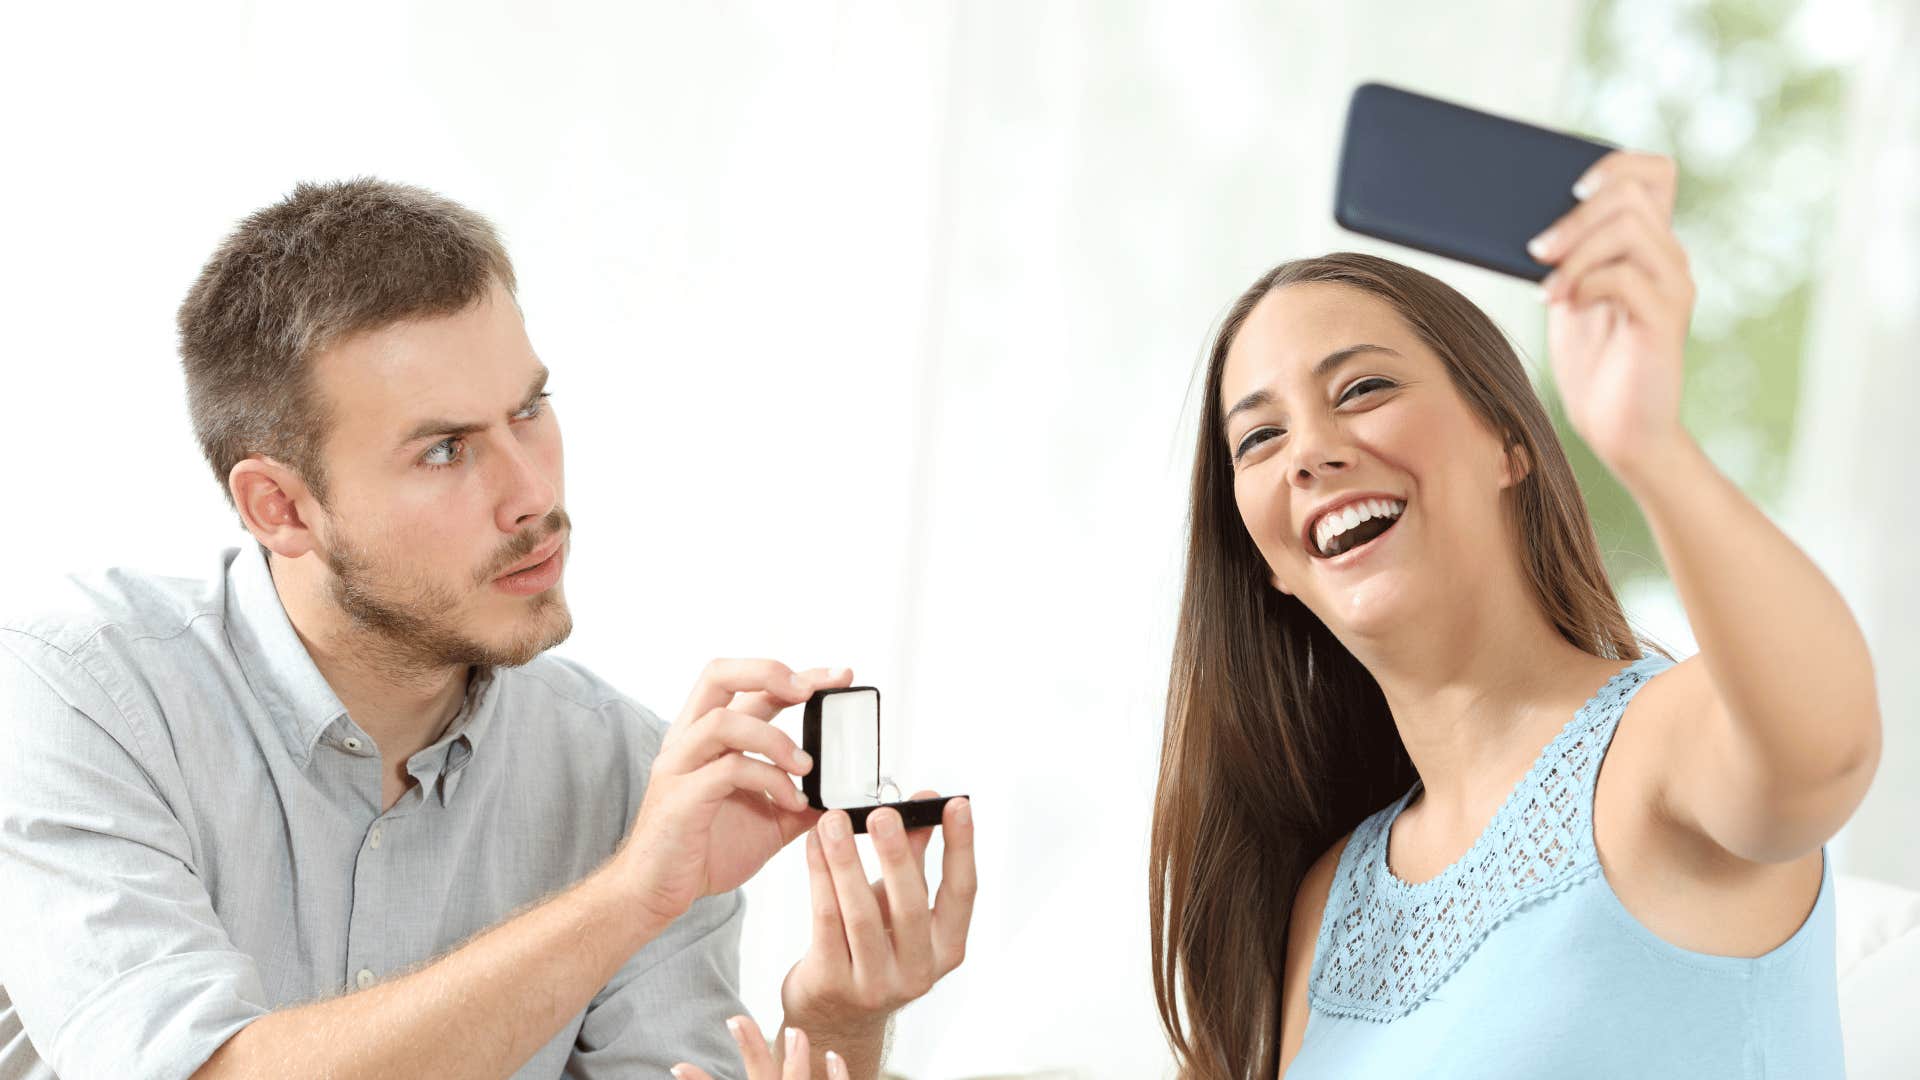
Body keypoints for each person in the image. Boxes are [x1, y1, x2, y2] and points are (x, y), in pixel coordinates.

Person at [0, 178, 975, 1080]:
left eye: (529, 409)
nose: (531, 493)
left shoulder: (627, 774)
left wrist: (835, 1022)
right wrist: (628, 895)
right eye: (445, 449)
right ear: (279, 508)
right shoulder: (78, 692)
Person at [1148, 151, 1878, 1077]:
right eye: (1260, 437)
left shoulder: (1657, 756)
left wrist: (1646, 441)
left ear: (1508, 442)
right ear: (1270, 565)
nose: (1311, 453)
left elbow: (1827, 750)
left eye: (1362, 388)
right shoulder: (1324, 903)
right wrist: (893, 1020)